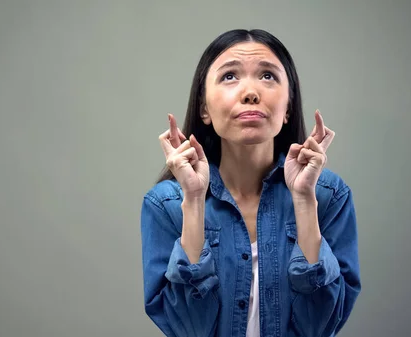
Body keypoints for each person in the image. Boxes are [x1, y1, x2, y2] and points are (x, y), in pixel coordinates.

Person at [140, 29, 361, 337]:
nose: (250, 92)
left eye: (268, 76)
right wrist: (192, 200)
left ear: (288, 107)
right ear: (204, 108)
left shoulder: (329, 196)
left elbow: (320, 325)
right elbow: (187, 329)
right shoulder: (165, 204)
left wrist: (304, 200)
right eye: (230, 76)